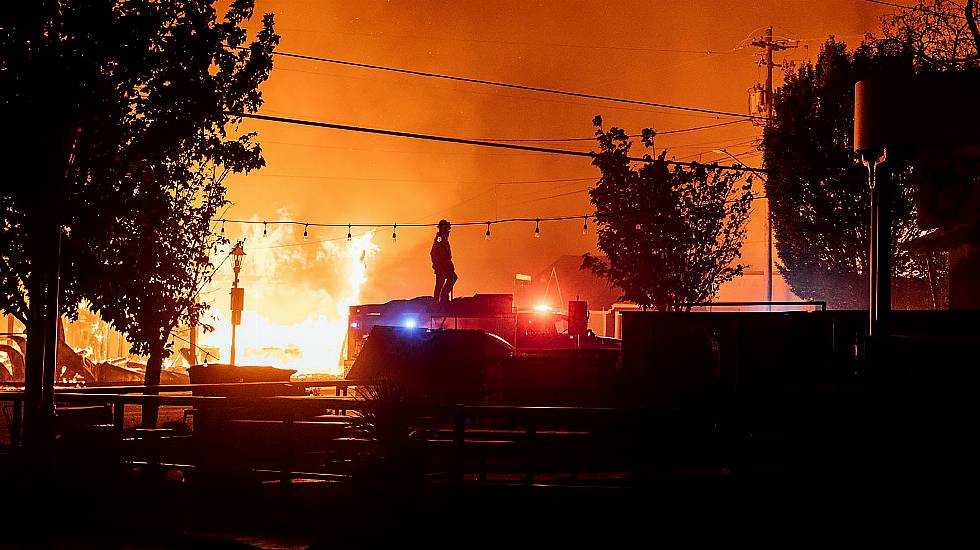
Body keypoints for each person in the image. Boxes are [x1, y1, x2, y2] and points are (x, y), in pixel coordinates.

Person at [430, 219, 458, 304]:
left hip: (444, 264)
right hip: (442, 265)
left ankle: (441, 298)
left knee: (446, 280)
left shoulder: (443, 238)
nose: (448, 230)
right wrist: (438, 263)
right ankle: (441, 298)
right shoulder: (440, 238)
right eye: (446, 227)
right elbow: (434, 252)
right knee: (442, 281)